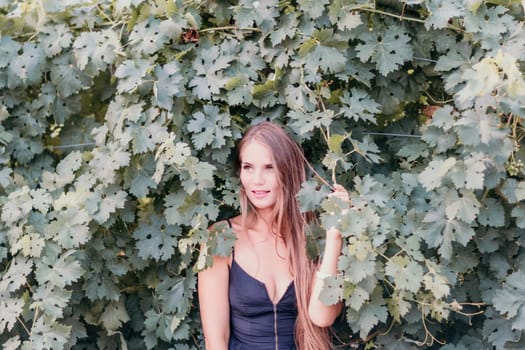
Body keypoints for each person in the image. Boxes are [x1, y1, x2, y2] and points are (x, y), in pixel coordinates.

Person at [198, 121, 347, 350]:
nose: (257, 179)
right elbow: (216, 340)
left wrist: (335, 235)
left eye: (269, 167)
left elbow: (322, 317)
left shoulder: (313, 236)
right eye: (248, 167)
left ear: (287, 171)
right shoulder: (220, 237)